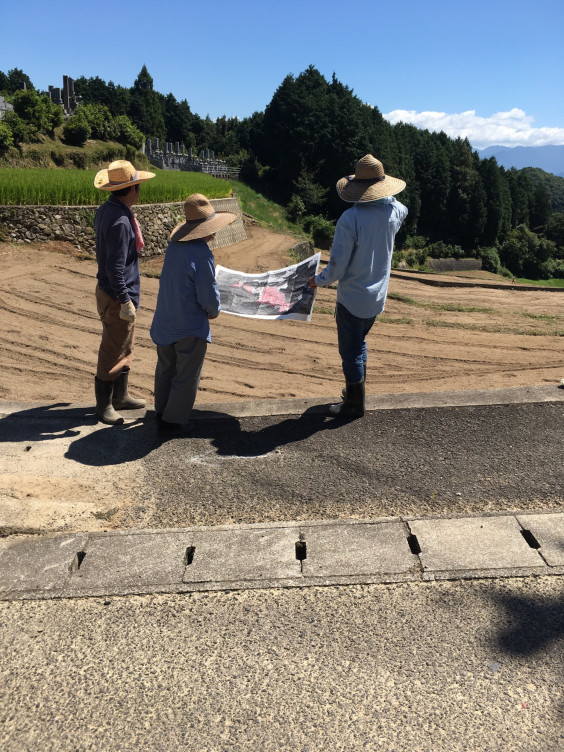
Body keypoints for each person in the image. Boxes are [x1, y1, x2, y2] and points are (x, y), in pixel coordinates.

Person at [308, 154, 408, 419]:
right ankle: (356, 393)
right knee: (360, 342)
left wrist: (317, 280)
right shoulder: (393, 212)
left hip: (352, 298)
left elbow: (337, 267)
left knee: (349, 351)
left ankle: (354, 404)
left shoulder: (351, 219)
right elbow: (403, 207)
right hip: (377, 298)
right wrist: (388, 196)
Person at [150, 193, 237, 436]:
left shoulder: (174, 247)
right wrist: (214, 310)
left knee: (166, 367)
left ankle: (162, 411)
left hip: (165, 319)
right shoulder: (202, 253)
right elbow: (208, 293)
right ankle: (174, 421)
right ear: (206, 229)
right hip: (188, 324)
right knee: (187, 374)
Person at [93, 159, 155, 424]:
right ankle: (105, 405)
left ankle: (121, 395)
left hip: (113, 291)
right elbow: (115, 268)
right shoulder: (120, 221)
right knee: (112, 348)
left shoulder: (107, 209)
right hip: (117, 293)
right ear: (131, 190)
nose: (140, 192)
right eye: (138, 187)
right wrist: (125, 300)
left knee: (124, 345)